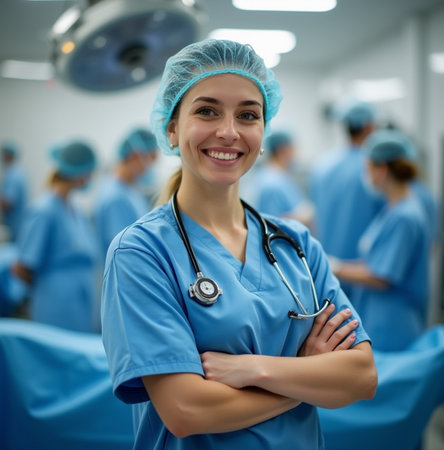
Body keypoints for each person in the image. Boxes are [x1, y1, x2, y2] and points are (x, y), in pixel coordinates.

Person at [101, 39, 377, 450]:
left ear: (263, 132)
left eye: (248, 114)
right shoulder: (141, 253)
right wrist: (305, 374)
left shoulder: (296, 246)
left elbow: (361, 376)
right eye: (207, 110)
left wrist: (254, 369)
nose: (229, 132)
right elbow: (186, 411)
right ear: (172, 128)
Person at [330, 129, 431, 352]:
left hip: (393, 326)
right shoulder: (393, 210)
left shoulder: (405, 216)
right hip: (379, 319)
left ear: (382, 170)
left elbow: (381, 275)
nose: (365, 176)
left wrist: (333, 266)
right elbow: (376, 262)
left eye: (367, 168)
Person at [12, 140, 99, 333]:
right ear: (77, 172)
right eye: (90, 171)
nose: (92, 177)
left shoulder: (74, 207)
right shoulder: (44, 210)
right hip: (55, 304)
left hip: (78, 302)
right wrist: (48, 289)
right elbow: (21, 267)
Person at [309, 100, 385, 299]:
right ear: (369, 126)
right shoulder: (376, 170)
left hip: (326, 272)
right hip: (364, 276)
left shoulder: (321, 166)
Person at [94, 127, 159, 260]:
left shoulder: (130, 190)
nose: (150, 169)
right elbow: (124, 251)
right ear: (135, 156)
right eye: (150, 161)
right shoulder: (115, 197)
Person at [249, 131, 314, 227]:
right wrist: (303, 217)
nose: (296, 155)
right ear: (282, 150)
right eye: (293, 149)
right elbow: (271, 223)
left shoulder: (281, 177)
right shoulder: (272, 184)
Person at [0, 141, 28, 241]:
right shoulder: (20, 172)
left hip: (14, 225)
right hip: (18, 224)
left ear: (6, 155)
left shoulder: (13, 175)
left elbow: (8, 202)